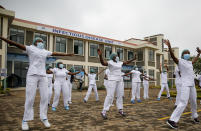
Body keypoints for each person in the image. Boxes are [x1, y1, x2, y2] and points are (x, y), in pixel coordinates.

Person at [0, 36, 74, 130]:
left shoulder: (44, 51)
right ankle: (25, 120)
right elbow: (16, 44)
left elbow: (55, 53)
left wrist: (67, 55)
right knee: (30, 98)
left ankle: (44, 117)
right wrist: (3, 38)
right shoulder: (30, 48)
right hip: (32, 75)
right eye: (39, 41)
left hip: (42, 75)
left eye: (42, 41)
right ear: (35, 42)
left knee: (45, 97)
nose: (41, 43)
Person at [164, 40, 200, 129]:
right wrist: (169, 47)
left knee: (194, 102)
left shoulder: (190, 62)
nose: (187, 54)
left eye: (188, 53)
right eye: (185, 53)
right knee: (183, 102)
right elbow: (173, 57)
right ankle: (172, 120)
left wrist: (199, 54)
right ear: (183, 55)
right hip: (185, 85)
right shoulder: (180, 61)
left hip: (192, 85)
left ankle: (194, 116)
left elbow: (194, 60)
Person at [98, 49, 136, 119]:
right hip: (112, 80)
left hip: (119, 80)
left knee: (120, 95)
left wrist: (133, 59)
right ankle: (104, 111)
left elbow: (126, 62)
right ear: (113, 57)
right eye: (116, 56)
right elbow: (103, 63)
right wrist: (100, 56)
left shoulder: (119, 62)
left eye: (117, 55)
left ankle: (120, 110)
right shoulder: (110, 62)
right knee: (110, 95)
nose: (117, 56)